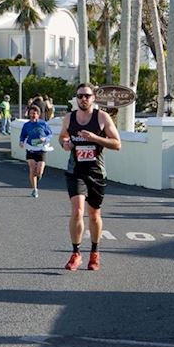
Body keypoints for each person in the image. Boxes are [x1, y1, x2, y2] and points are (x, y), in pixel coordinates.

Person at [59, 84, 122, 271]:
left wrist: (95, 138)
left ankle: (94, 253)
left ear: (93, 97)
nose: (83, 99)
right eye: (80, 96)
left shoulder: (102, 117)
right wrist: (65, 143)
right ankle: (75, 253)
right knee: (78, 211)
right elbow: (62, 136)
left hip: (96, 172)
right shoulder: (70, 117)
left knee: (94, 214)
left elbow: (117, 144)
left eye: (87, 96)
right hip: (75, 171)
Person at [18, 103, 53, 198]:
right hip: (31, 149)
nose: (32, 115)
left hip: (41, 149)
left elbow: (50, 135)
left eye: (34, 113)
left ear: (38, 114)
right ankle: (35, 190)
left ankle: (38, 177)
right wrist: (21, 142)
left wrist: (44, 139)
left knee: (39, 171)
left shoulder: (43, 124)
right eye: (31, 113)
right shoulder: (26, 125)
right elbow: (23, 135)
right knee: (32, 169)